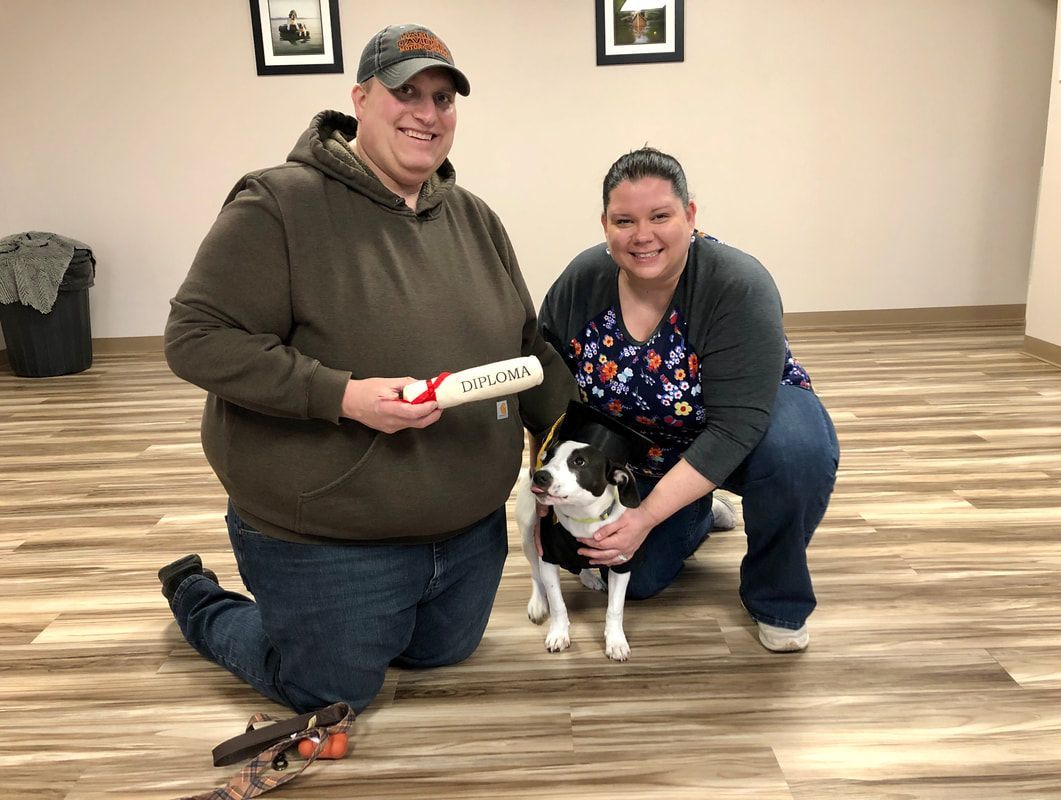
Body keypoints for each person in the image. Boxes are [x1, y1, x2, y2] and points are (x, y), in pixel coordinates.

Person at [159, 23, 576, 714]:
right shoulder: (279, 205)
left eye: (442, 98)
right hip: (330, 537)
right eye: (404, 92)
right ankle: (195, 596)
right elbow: (195, 337)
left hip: (467, 530)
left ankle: (387, 616)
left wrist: (586, 432)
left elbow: (524, 346)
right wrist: (343, 396)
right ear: (359, 98)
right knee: (328, 692)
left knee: (442, 652)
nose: (426, 112)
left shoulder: (474, 218)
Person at [537, 148, 839, 652]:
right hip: (641, 450)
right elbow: (548, 385)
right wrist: (544, 484)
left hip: (740, 431)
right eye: (624, 220)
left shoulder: (735, 284)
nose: (642, 235)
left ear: (691, 215)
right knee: (637, 577)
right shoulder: (583, 280)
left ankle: (776, 595)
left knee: (796, 453)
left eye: (661, 216)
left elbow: (735, 427)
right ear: (604, 224)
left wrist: (645, 517)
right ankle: (697, 511)